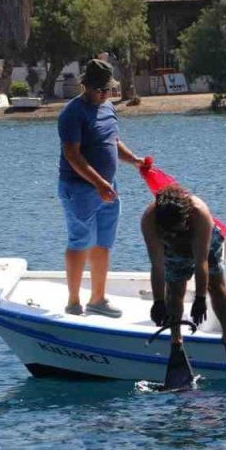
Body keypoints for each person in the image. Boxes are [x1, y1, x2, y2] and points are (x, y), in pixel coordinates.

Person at [57, 59, 146, 317]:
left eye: (108, 90)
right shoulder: (72, 113)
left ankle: (98, 300)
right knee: (80, 241)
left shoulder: (107, 108)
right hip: (80, 189)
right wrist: (99, 183)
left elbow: (112, 141)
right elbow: (73, 156)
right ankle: (73, 302)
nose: (105, 94)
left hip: (108, 188)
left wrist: (134, 160)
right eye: (100, 90)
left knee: (103, 243)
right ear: (86, 86)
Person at [141, 184, 226, 383]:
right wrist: (158, 302)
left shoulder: (199, 214)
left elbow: (201, 261)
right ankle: (176, 344)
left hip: (205, 242)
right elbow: (157, 266)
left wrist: (200, 298)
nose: (177, 232)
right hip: (171, 249)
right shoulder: (149, 220)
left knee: (215, 286)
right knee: (175, 290)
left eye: (179, 228)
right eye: (171, 230)